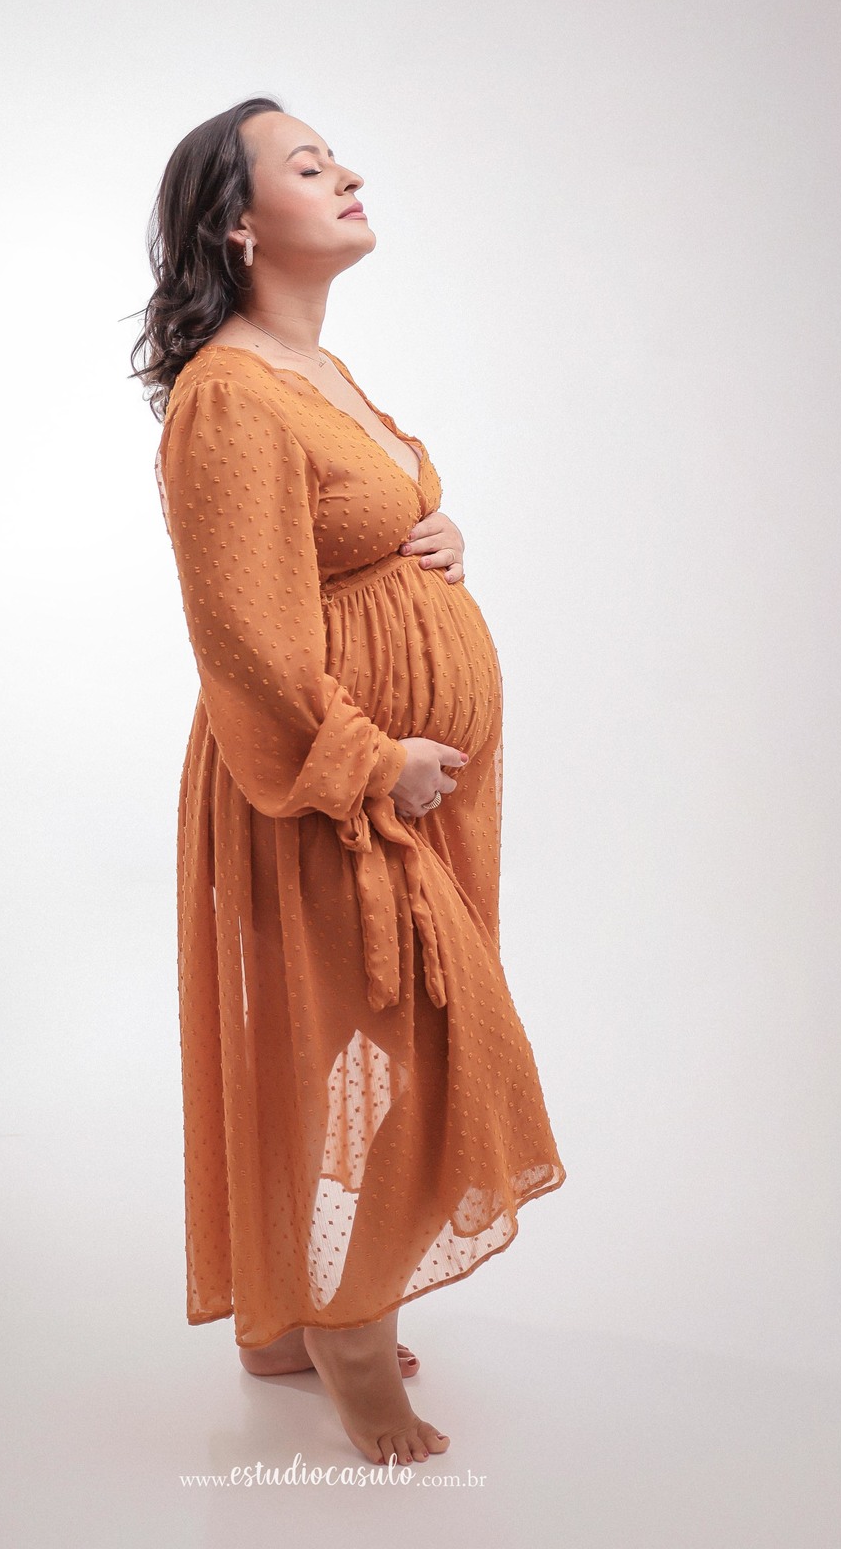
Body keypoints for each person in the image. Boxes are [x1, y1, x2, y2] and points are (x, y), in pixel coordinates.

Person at [131, 96, 566, 1468]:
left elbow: (343, 534)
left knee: (348, 1045)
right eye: (311, 166)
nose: (350, 173)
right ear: (238, 222)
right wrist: (372, 763)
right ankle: (349, 1344)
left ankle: (285, 1322)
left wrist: (431, 527)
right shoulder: (227, 397)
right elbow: (243, 641)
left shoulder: (314, 369)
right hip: (322, 789)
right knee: (394, 1039)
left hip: (392, 789)